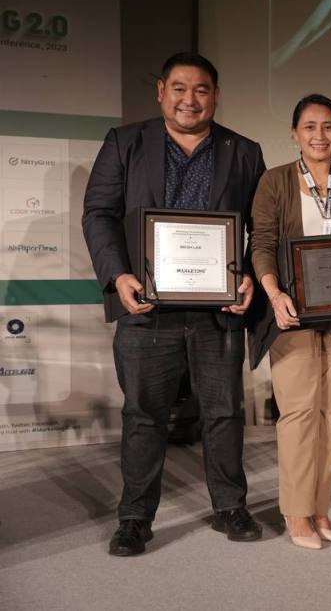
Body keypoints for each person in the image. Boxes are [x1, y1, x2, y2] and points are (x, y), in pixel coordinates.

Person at [82, 52, 266, 556]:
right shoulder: (125, 142)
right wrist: (117, 275)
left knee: (225, 411)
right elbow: (98, 212)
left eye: (202, 89)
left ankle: (230, 505)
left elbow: (264, 228)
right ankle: (136, 517)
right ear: (160, 90)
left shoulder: (244, 151)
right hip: (147, 308)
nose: (190, 99)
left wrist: (250, 274)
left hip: (218, 311)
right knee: (144, 414)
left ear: (216, 95)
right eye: (180, 88)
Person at [247, 94, 331, 549]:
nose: (318, 136)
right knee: (300, 413)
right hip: (291, 315)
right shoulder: (275, 181)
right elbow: (261, 243)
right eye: (308, 127)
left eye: (327, 127)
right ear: (294, 133)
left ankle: (321, 507)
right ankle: (296, 513)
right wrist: (274, 293)